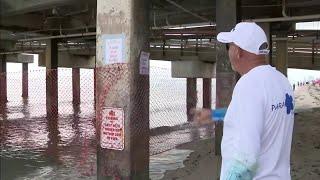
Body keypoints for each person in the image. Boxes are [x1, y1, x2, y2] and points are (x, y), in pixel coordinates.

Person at [195, 22, 294, 180]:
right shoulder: (282, 81)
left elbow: (246, 158)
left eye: (229, 47)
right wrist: (215, 114)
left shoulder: (249, 85)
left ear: (238, 51)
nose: (229, 52)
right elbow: (256, 115)